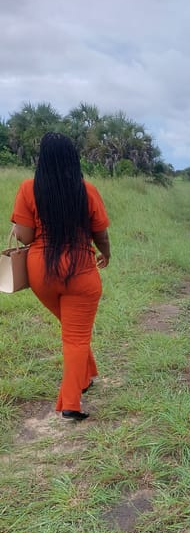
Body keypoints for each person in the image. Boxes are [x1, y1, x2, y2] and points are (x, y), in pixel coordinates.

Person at [11, 131, 111, 421]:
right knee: (76, 336)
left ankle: (87, 374)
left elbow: (26, 235)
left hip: (41, 270)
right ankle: (71, 404)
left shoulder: (28, 189)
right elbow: (100, 233)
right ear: (73, 159)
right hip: (80, 269)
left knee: (72, 330)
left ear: (42, 159)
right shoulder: (87, 190)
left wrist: (20, 226)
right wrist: (107, 253)